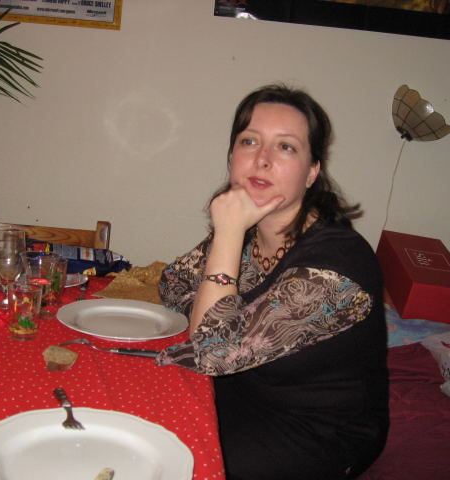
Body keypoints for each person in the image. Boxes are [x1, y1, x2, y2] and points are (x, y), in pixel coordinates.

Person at [155, 84, 389, 480]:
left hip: (313, 432)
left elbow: (210, 354)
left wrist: (228, 235)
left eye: (286, 147)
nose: (262, 159)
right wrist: (219, 314)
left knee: (171, 464)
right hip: (236, 394)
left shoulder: (337, 268)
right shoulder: (248, 232)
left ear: (312, 172)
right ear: (232, 157)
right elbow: (172, 282)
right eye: (249, 141)